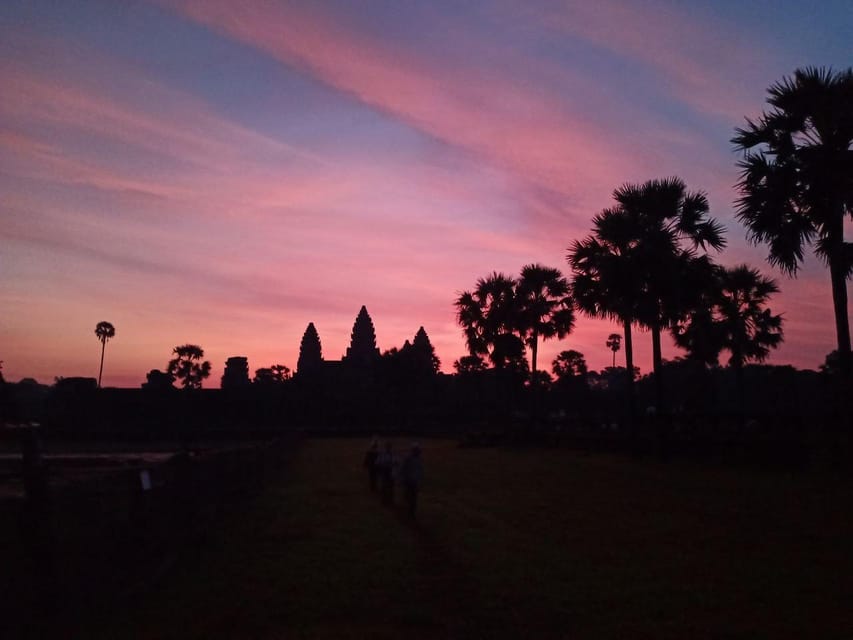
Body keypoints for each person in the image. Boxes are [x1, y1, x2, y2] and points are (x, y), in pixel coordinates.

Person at [400, 443, 423, 518]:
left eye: (418, 451)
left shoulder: (419, 459)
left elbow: (419, 471)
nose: (418, 452)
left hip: (415, 482)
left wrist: (419, 481)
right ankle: (407, 512)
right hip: (408, 481)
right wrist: (403, 479)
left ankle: (411, 513)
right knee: (407, 498)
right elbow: (403, 469)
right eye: (417, 451)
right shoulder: (408, 459)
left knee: (414, 499)